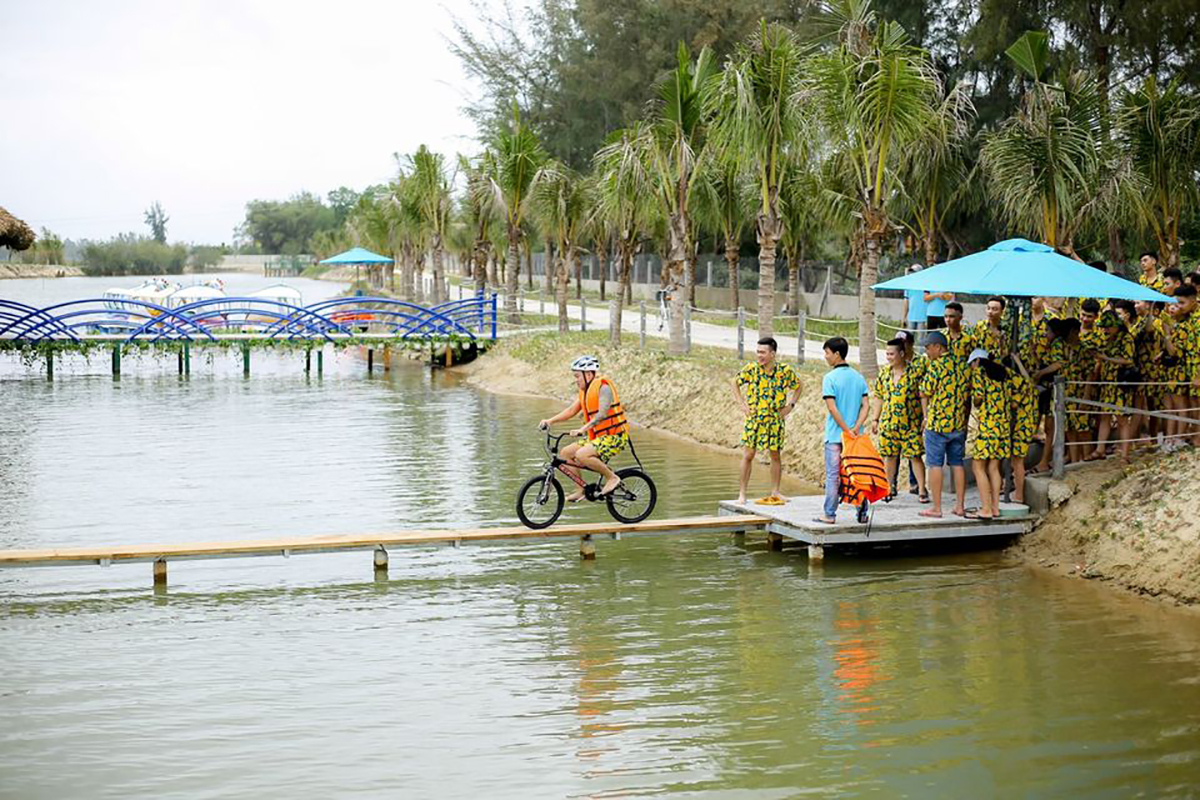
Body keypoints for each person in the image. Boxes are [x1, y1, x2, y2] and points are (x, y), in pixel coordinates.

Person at [538, 355, 628, 501]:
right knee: (566, 453)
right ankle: (580, 490)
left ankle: (612, 478)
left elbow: (602, 414)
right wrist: (550, 421)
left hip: (614, 437)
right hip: (597, 437)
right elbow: (570, 411)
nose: (576, 380)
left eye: (577, 376)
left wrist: (583, 429)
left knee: (581, 455)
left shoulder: (603, 388)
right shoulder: (585, 392)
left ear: (588, 374)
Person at [734, 336, 802, 504]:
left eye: (763, 352)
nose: (759, 356)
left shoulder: (784, 371)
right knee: (748, 454)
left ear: (772, 354)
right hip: (755, 418)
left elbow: (799, 386)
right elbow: (735, 383)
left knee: (775, 455)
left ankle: (776, 491)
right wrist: (742, 404)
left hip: (775, 418)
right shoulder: (751, 369)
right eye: (757, 352)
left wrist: (790, 405)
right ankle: (742, 493)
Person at [813, 337, 870, 524]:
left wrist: (845, 429)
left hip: (835, 436)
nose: (825, 357)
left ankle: (829, 514)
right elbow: (866, 406)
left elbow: (832, 408)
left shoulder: (829, 378)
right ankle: (862, 512)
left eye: (827, 353)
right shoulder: (858, 377)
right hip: (855, 436)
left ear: (837, 354)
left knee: (833, 476)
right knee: (857, 473)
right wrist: (855, 428)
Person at [919, 330, 969, 519]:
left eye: (928, 347)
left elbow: (925, 391)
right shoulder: (963, 366)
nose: (926, 351)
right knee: (957, 464)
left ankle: (936, 507)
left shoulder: (936, 367)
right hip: (958, 424)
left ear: (939, 348)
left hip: (938, 425)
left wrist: (925, 417)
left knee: (935, 465)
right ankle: (960, 506)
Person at [871, 338, 927, 502]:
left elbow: (923, 396)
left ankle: (922, 489)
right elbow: (879, 396)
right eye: (887, 354)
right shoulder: (884, 373)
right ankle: (889, 487)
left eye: (892, 354)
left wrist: (925, 416)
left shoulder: (915, 373)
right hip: (889, 423)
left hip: (911, 424)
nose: (889, 357)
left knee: (915, 456)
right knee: (890, 456)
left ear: (901, 354)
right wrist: (875, 419)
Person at [1087, 308, 1136, 461]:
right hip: (1107, 383)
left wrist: (1105, 358)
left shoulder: (1126, 339)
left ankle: (1125, 453)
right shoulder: (1108, 339)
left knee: (1121, 419)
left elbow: (1128, 359)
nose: (1106, 330)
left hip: (1120, 383)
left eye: (1108, 327)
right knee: (1105, 416)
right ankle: (1100, 449)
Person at [966, 349, 1010, 520]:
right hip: (1003, 426)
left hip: (987, 426)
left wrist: (973, 395)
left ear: (977, 361)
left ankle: (985, 509)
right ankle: (995, 508)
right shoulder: (1002, 374)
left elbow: (978, 397)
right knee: (993, 467)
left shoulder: (979, 373)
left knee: (978, 467)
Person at [902, 264, 928, 333]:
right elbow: (906, 301)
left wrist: (928, 318)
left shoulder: (926, 285)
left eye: (914, 272)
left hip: (923, 317)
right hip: (911, 317)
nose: (912, 274)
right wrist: (904, 317)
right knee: (909, 338)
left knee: (921, 340)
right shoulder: (908, 286)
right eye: (911, 272)